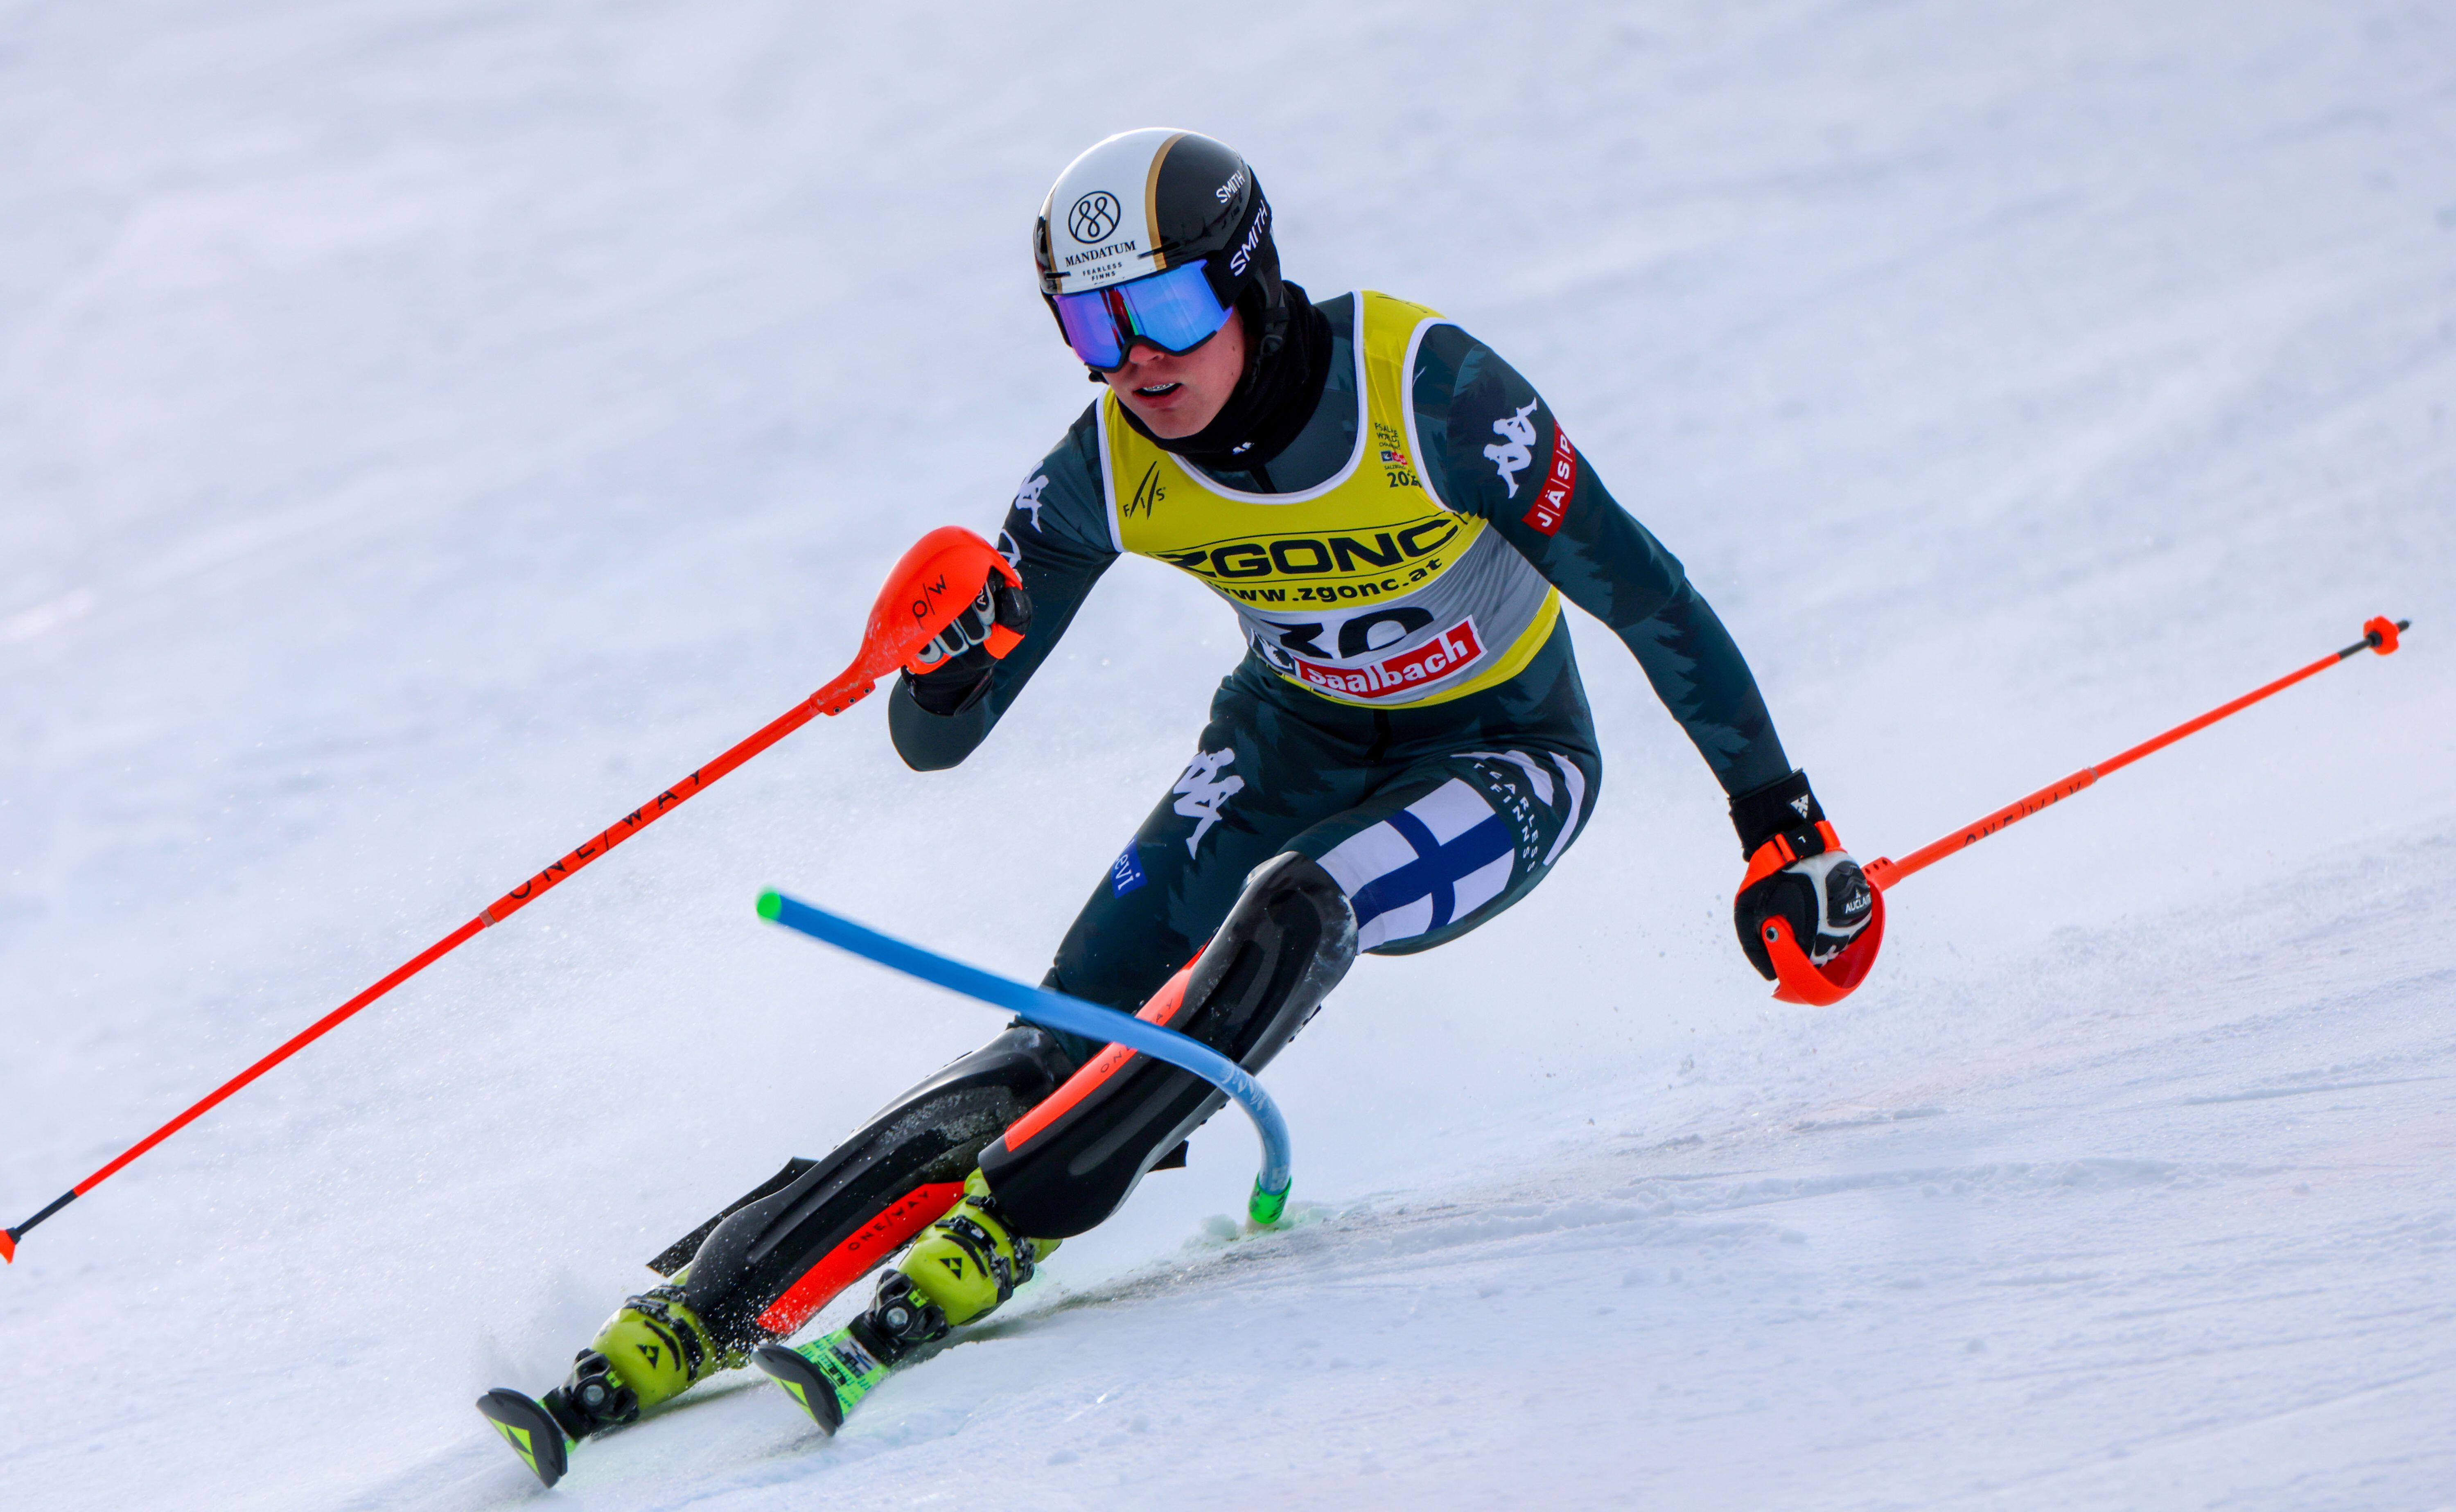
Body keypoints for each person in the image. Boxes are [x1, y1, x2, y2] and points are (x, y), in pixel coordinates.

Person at [526, 126, 1875, 1442]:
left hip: (1504, 756)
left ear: (1250, 276)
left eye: (1167, 307)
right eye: (1094, 329)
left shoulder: (1432, 394)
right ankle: (719, 1292)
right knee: (1053, 1041)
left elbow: (1648, 597)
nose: (1141, 363)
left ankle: (1026, 1210)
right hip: (1285, 745)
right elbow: (940, 743)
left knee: (1297, 903)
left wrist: (1782, 827)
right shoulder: (1108, 464)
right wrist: (939, 670)